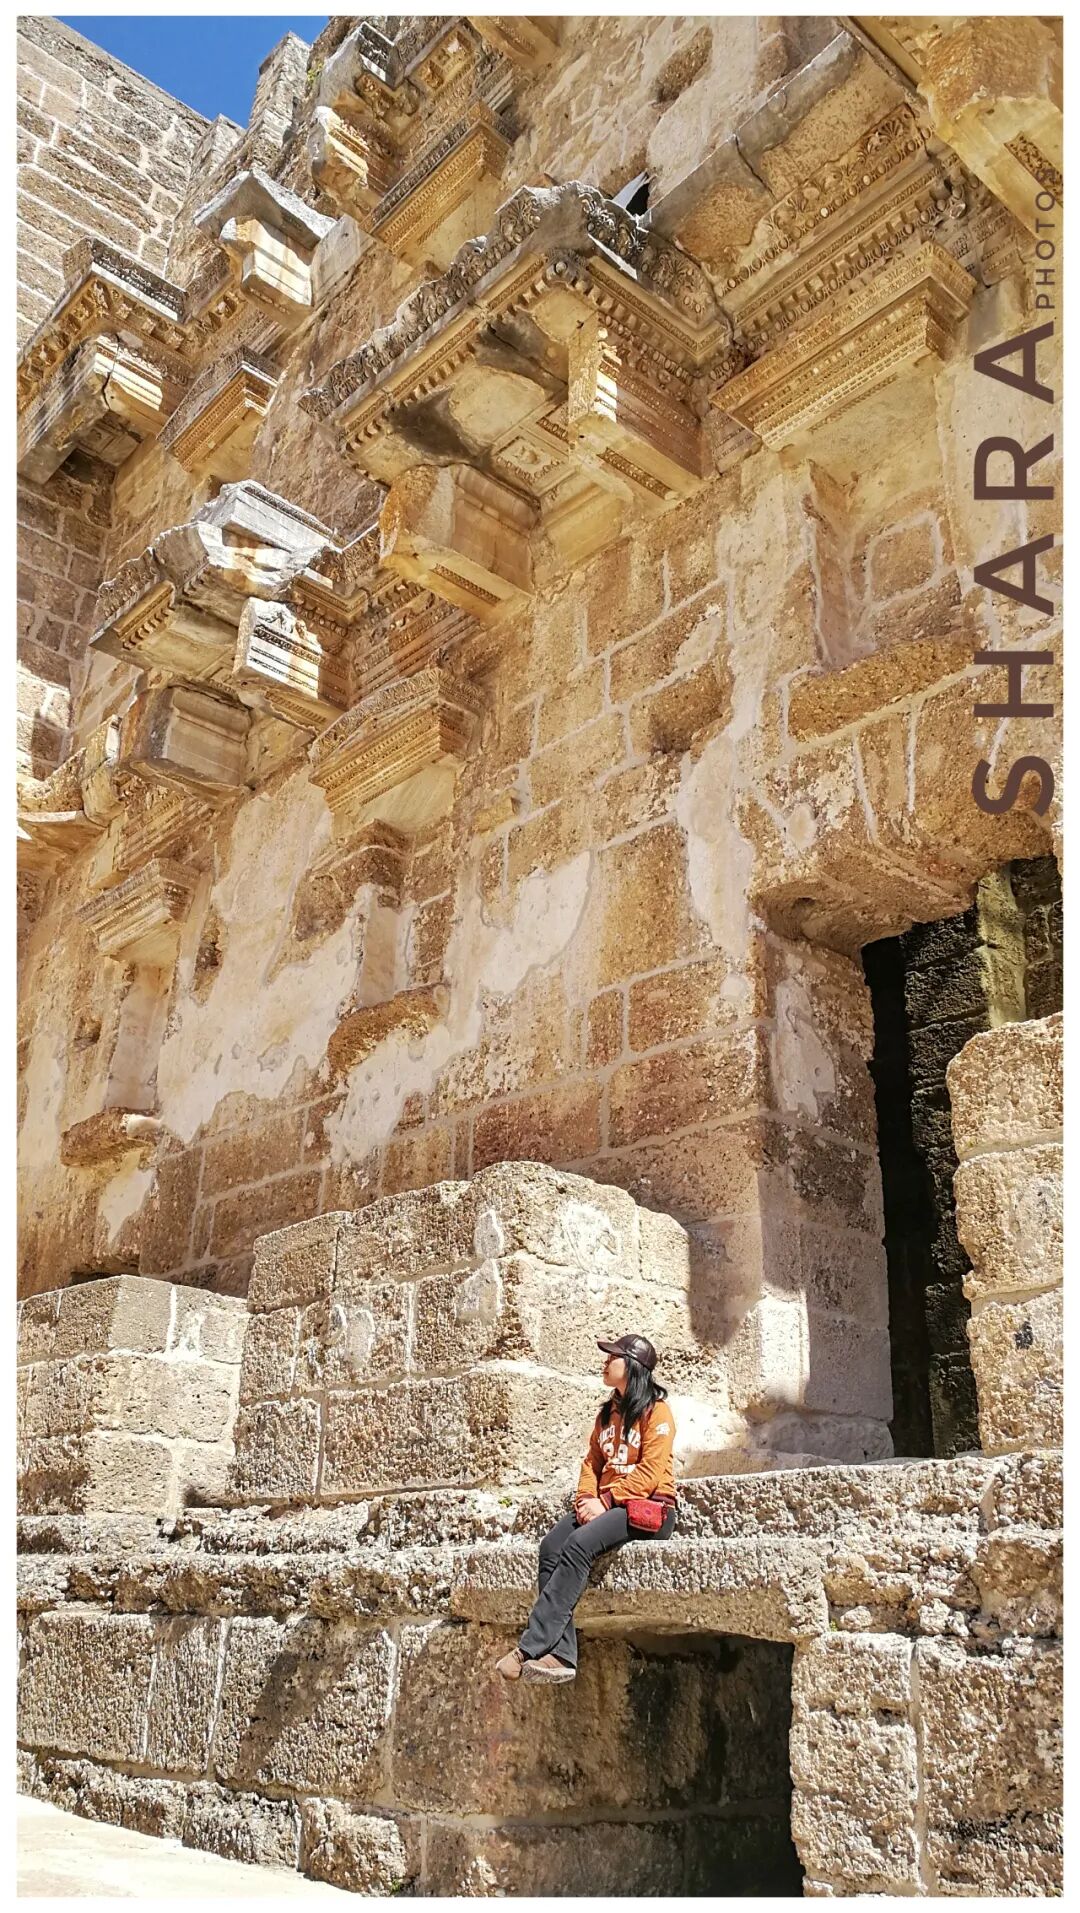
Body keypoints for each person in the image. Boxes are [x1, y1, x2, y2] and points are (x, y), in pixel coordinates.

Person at [494, 1332, 678, 1685]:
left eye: (613, 1357)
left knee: (579, 1545)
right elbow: (592, 1463)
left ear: (633, 1366)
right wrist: (585, 1499)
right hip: (605, 1506)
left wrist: (606, 1501)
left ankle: (528, 1649)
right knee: (551, 1546)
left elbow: (651, 1472)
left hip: (649, 1509)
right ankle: (562, 1654)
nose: (605, 1362)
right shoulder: (607, 1415)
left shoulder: (658, 1413)